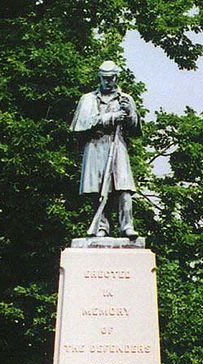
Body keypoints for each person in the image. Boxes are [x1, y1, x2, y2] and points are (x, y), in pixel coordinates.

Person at [70, 60, 141, 238]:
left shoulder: (126, 99)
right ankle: (102, 226)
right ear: (99, 78)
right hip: (96, 145)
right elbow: (82, 124)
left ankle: (127, 226)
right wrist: (111, 117)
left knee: (124, 188)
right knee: (98, 190)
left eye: (111, 78)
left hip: (118, 146)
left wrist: (130, 114)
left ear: (116, 77)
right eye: (104, 78)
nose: (108, 81)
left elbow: (136, 129)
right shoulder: (88, 99)